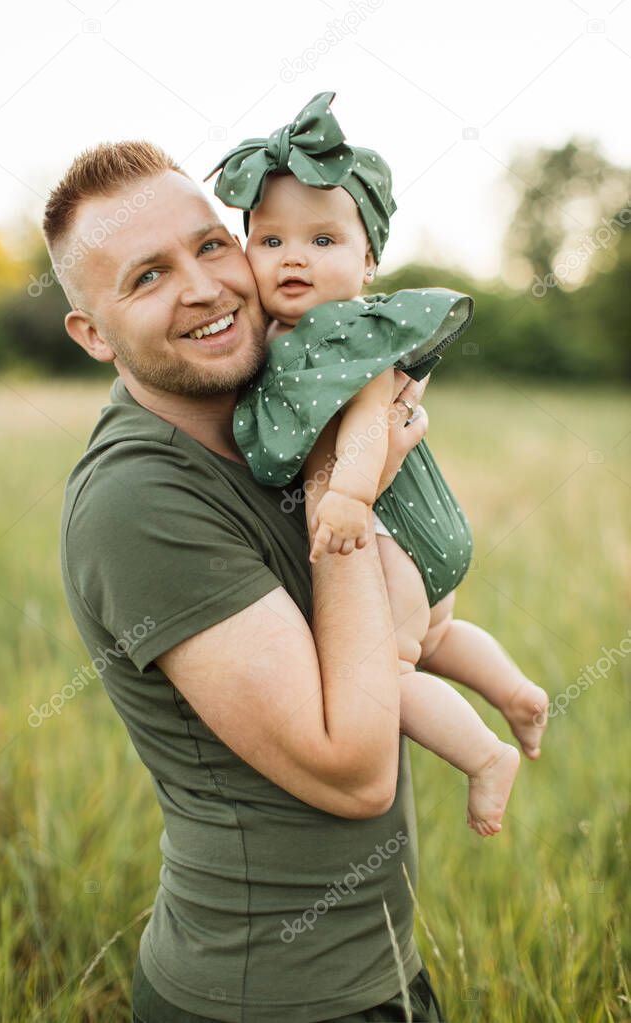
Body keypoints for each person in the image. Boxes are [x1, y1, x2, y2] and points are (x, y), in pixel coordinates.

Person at [45, 139, 446, 1021]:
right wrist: (332, 493)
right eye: (147, 277)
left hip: (376, 967)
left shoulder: (273, 419)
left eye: (212, 245)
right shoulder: (138, 501)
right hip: (265, 996)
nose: (204, 287)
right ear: (92, 333)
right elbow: (354, 771)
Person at [207, 91, 548, 837]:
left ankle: (486, 756)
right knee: (439, 637)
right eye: (270, 243)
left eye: (323, 241)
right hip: (424, 525)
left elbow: (367, 414)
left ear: (368, 261)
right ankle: (517, 692)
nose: (294, 256)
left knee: (394, 667)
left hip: (384, 522)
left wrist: (352, 495)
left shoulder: (346, 332)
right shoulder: (296, 333)